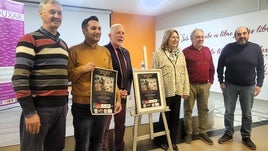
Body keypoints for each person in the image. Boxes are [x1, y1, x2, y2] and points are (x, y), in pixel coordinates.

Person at [11, 0, 68, 151]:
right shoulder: (29, 39)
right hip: (39, 109)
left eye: (59, 13)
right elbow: (19, 78)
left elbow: (62, 77)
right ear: (41, 14)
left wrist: (64, 105)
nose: (56, 16)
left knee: (56, 148)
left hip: (60, 108)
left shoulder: (63, 45)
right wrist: (29, 113)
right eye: (52, 12)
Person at [68, 16, 122, 151]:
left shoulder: (105, 52)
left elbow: (111, 77)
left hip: (103, 104)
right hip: (82, 106)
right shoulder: (73, 51)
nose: (97, 31)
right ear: (84, 30)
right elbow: (68, 76)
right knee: (82, 145)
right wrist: (82, 69)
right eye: (93, 28)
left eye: (99, 28)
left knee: (98, 143)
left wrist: (118, 99)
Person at [217, 26, 264, 150]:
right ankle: (228, 133)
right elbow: (220, 65)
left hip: (248, 87)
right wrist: (221, 81)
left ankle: (246, 136)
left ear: (248, 34)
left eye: (244, 33)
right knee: (228, 112)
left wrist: (259, 84)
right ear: (235, 36)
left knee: (247, 113)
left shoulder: (256, 48)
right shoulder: (228, 48)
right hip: (230, 86)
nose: (242, 36)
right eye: (239, 34)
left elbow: (260, 68)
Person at [152, 29, 190, 151]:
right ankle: (162, 141)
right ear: (166, 39)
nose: (176, 40)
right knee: (164, 118)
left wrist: (185, 90)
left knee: (175, 117)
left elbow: (185, 72)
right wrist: (156, 93)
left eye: (177, 37)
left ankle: (172, 141)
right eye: (173, 37)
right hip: (165, 92)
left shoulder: (180, 54)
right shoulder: (158, 54)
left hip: (177, 91)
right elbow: (154, 74)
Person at [102, 24, 133, 151]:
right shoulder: (103, 51)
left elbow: (129, 73)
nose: (121, 35)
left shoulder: (126, 52)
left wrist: (126, 90)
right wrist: (115, 91)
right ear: (110, 35)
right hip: (108, 96)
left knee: (120, 125)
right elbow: (103, 74)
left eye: (123, 33)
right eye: (118, 32)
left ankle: (119, 148)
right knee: (104, 127)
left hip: (123, 96)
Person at [182, 28, 215, 145]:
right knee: (188, 110)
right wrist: (183, 87)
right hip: (190, 85)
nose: (200, 39)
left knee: (203, 110)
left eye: (202, 36)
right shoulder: (185, 52)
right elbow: (182, 71)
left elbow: (211, 66)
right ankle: (188, 133)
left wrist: (210, 81)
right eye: (197, 37)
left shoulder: (207, 50)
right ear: (192, 39)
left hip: (205, 85)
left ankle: (203, 132)